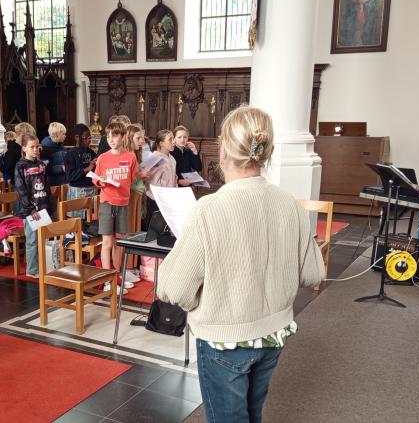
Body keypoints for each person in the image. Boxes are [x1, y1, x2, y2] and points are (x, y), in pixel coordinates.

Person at [157, 106, 325, 423]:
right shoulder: (289, 203)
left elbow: (174, 290)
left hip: (225, 339)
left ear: (223, 149)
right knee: (251, 414)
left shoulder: (208, 209)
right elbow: (313, 272)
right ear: (267, 151)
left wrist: (201, 295)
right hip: (273, 334)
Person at [93, 122, 137, 278]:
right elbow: (95, 178)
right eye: (108, 136)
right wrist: (101, 182)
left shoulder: (131, 157)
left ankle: (117, 275)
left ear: (123, 137)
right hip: (107, 203)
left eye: (115, 135)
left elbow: (131, 178)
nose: (111, 139)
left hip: (123, 203)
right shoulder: (103, 157)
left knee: (119, 242)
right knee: (107, 242)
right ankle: (107, 278)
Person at [14, 134, 53, 278]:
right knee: (32, 240)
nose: (36, 149)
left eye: (37, 146)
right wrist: (30, 209)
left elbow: (47, 187)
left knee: (44, 239)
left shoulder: (41, 164)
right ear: (24, 148)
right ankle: (32, 270)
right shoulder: (20, 166)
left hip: (43, 206)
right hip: (30, 210)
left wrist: (49, 207)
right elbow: (20, 190)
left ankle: (44, 266)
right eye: (32, 147)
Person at [143, 129, 178, 230]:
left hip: (169, 199)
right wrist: (161, 197)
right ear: (161, 143)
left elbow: (174, 178)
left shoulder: (172, 159)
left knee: (165, 228)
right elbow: (152, 182)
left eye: (173, 138)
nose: (174, 142)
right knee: (154, 228)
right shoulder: (155, 158)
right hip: (156, 200)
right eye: (170, 139)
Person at [64, 123, 97, 219]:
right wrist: (87, 169)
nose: (89, 141)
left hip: (91, 189)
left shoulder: (91, 152)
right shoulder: (70, 154)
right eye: (86, 138)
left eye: (90, 138)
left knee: (91, 220)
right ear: (77, 137)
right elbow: (70, 176)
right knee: (76, 221)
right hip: (77, 191)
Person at [41, 122, 69, 187]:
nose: (65, 136)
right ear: (56, 134)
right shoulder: (45, 150)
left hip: (65, 183)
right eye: (63, 134)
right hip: (53, 185)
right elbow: (44, 169)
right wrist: (61, 168)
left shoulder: (62, 147)